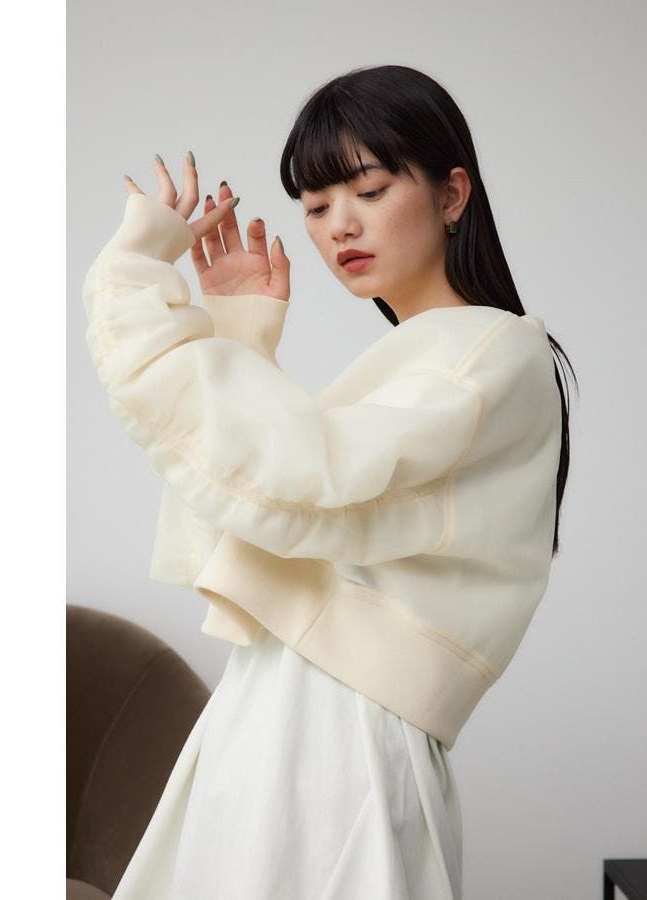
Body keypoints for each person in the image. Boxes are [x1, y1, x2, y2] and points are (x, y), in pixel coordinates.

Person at [83, 64, 577, 900]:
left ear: (452, 194)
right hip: (278, 712)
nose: (340, 224)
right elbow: (249, 516)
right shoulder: (421, 362)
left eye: (370, 190)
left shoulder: (493, 352)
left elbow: (298, 482)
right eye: (315, 207)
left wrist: (132, 280)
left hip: (340, 737)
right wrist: (239, 338)